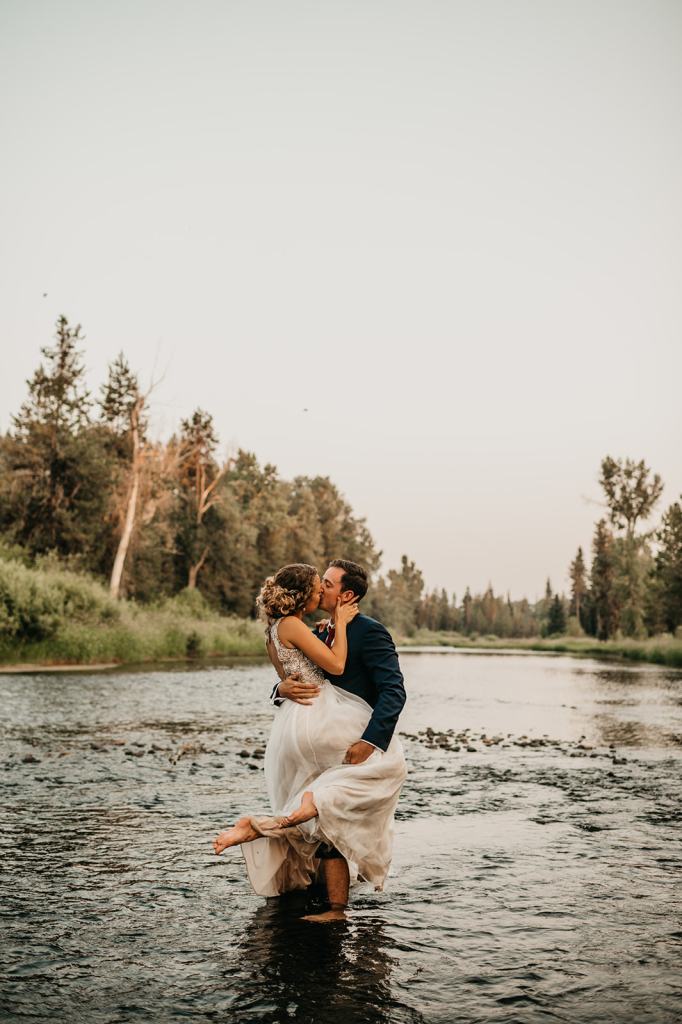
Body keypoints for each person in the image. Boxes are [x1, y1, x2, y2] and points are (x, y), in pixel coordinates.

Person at [212, 560, 407, 922]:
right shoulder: (317, 629)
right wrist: (280, 689)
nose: (322, 591)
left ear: (347, 594)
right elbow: (312, 669)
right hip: (327, 728)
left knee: (323, 812)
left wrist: (371, 739)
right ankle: (333, 903)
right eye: (320, 585)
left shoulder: (369, 631)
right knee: (339, 798)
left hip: (325, 730)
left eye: (328, 585)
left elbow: (393, 690)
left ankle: (326, 897)